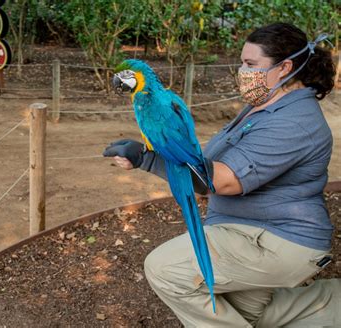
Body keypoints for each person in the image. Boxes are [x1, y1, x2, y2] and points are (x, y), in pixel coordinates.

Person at [103, 23, 338, 327]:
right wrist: (147, 156)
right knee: (247, 316)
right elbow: (200, 161)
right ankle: (330, 305)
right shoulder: (265, 104)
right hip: (246, 229)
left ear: (285, 68)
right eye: (242, 62)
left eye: (250, 64)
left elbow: (221, 181)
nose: (241, 71)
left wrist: (149, 161)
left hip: (276, 241)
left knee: (165, 269)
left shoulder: (295, 122)